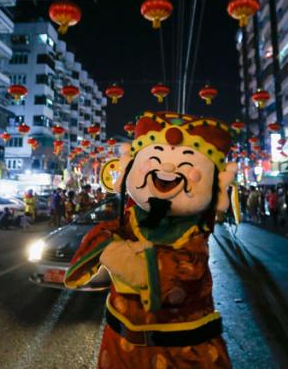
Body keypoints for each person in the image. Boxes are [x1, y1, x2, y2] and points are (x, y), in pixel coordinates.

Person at [64, 111, 237, 368]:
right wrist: (105, 244)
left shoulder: (194, 233)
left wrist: (121, 256)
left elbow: (182, 272)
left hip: (181, 353)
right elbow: (105, 232)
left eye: (187, 164)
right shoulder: (131, 219)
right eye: (154, 159)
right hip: (120, 345)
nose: (166, 169)